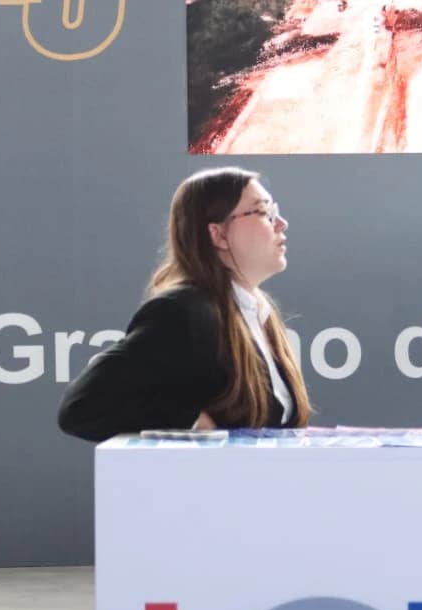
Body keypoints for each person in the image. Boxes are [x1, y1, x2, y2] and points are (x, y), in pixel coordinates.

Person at [57, 168, 311, 440]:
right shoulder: (182, 312)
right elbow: (82, 407)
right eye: (263, 212)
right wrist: (190, 420)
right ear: (218, 235)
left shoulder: (258, 313)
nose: (281, 223)